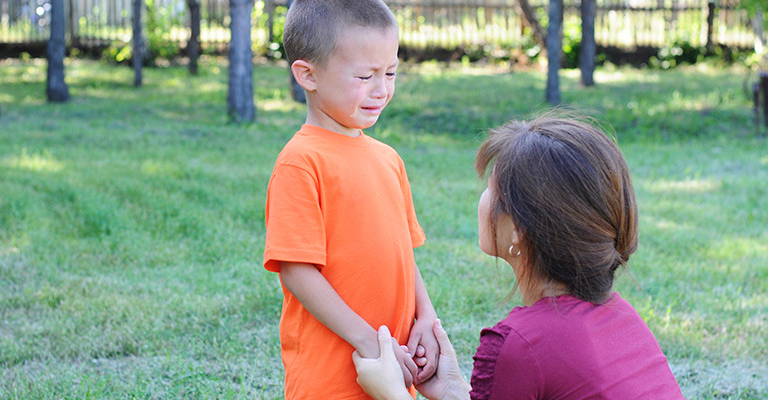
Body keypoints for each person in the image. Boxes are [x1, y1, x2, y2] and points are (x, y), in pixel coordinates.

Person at [352, 115, 685, 399]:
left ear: (518, 230)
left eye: (491, 190)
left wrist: (393, 392)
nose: (483, 200)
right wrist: (453, 388)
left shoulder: (520, 346)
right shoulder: (621, 316)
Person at [263, 0, 439, 398]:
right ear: (307, 75)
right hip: (332, 378)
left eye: (391, 72)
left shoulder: (388, 159)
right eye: (365, 76)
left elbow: (402, 255)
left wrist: (426, 317)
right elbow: (297, 270)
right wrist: (370, 343)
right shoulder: (301, 161)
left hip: (391, 370)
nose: (382, 89)